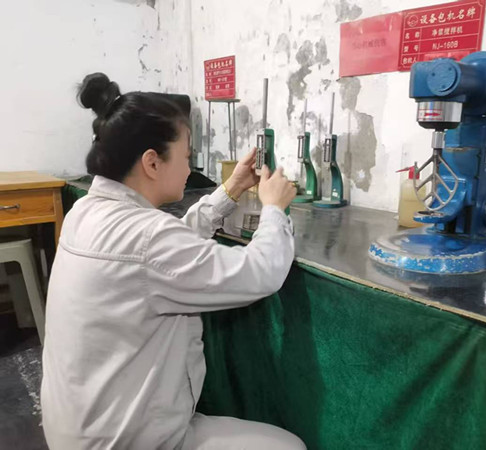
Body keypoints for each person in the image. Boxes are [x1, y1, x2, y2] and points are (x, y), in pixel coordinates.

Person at [41, 73, 304, 450]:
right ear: (152, 162)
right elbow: (260, 272)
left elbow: (162, 255)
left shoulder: (85, 212)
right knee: (290, 446)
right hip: (125, 441)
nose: (189, 168)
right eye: (186, 157)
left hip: (79, 430)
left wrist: (230, 190)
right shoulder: (148, 238)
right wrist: (274, 208)